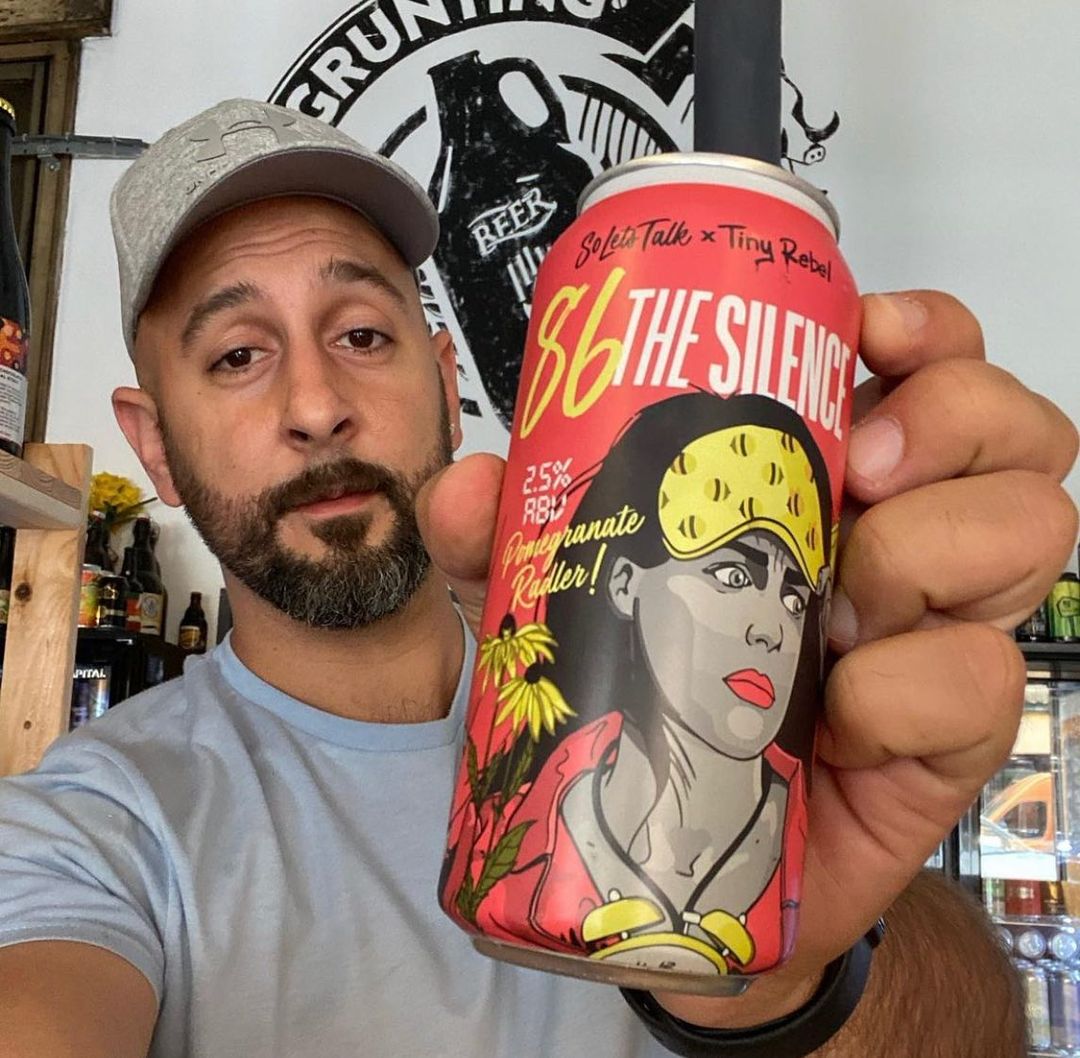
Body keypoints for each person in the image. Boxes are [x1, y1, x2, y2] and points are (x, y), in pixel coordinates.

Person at [0, 97, 1075, 1058]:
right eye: (238, 354)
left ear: (444, 377)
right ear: (153, 446)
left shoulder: (716, 709)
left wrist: (789, 980)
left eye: (362, 333)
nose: (317, 405)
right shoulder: (94, 830)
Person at [440, 393, 832, 978]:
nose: (771, 630)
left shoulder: (817, 831)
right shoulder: (515, 828)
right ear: (625, 582)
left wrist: (822, 976)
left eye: (794, 598)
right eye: (731, 574)